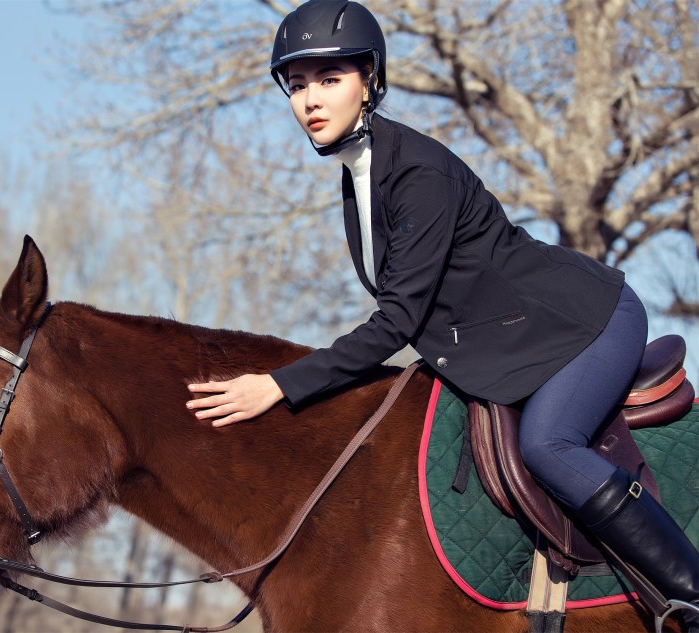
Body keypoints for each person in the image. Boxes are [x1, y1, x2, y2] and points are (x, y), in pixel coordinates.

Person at [185, 0, 698, 626]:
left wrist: (278, 384)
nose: (310, 100)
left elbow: (396, 322)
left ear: (369, 82)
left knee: (547, 444)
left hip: (587, 323)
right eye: (296, 85)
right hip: (515, 344)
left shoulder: (418, 173)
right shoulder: (361, 173)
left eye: (330, 79)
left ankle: (690, 596)